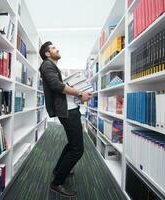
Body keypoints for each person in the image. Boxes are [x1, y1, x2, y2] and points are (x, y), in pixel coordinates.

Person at [39, 41, 92, 197]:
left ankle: (59, 170)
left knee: (72, 144)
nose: (58, 49)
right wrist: (79, 94)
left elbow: (59, 86)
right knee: (78, 149)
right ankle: (57, 183)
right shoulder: (47, 65)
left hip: (70, 109)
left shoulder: (51, 66)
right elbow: (56, 86)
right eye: (54, 48)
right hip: (67, 112)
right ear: (47, 53)